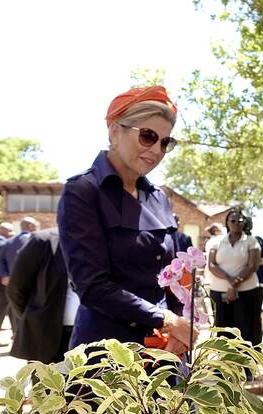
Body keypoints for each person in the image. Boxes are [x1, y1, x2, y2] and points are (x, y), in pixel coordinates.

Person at [58, 86, 195, 355]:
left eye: (165, 142)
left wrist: (180, 328)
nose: (156, 149)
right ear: (114, 132)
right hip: (106, 356)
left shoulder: (159, 197)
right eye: (148, 136)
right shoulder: (83, 191)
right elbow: (92, 286)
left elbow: (175, 275)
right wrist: (168, 321)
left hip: (163, 350)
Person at [7, 228, 78, 363]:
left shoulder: (99, 240)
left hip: (87, 336)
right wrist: (35, 318)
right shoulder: (42, 240)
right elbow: (16, 288)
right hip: (47, 337)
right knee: (48, 383)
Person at [207, 208, 262, 346]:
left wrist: (234, 285)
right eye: (233, 220)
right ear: (227, 223)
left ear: (245, 223)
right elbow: (212, 265)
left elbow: (252, 266)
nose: (236, 223)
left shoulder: (251, 241)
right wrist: (229, 280)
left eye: (240, 220)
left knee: (246, 331)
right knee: (222, 332)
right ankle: (224, 365)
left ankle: (247, 366)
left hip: (246, 293)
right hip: (219, 294)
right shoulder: (217, 241)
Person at [0, 217, 40, 334]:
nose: (36, 227)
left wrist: (5, 275)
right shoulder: (35, 240)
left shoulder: (9, 241)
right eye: (35, 225)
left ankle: (18, 336)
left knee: (17, 309)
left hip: (13, 283)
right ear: (30, 226)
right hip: (32, 283)